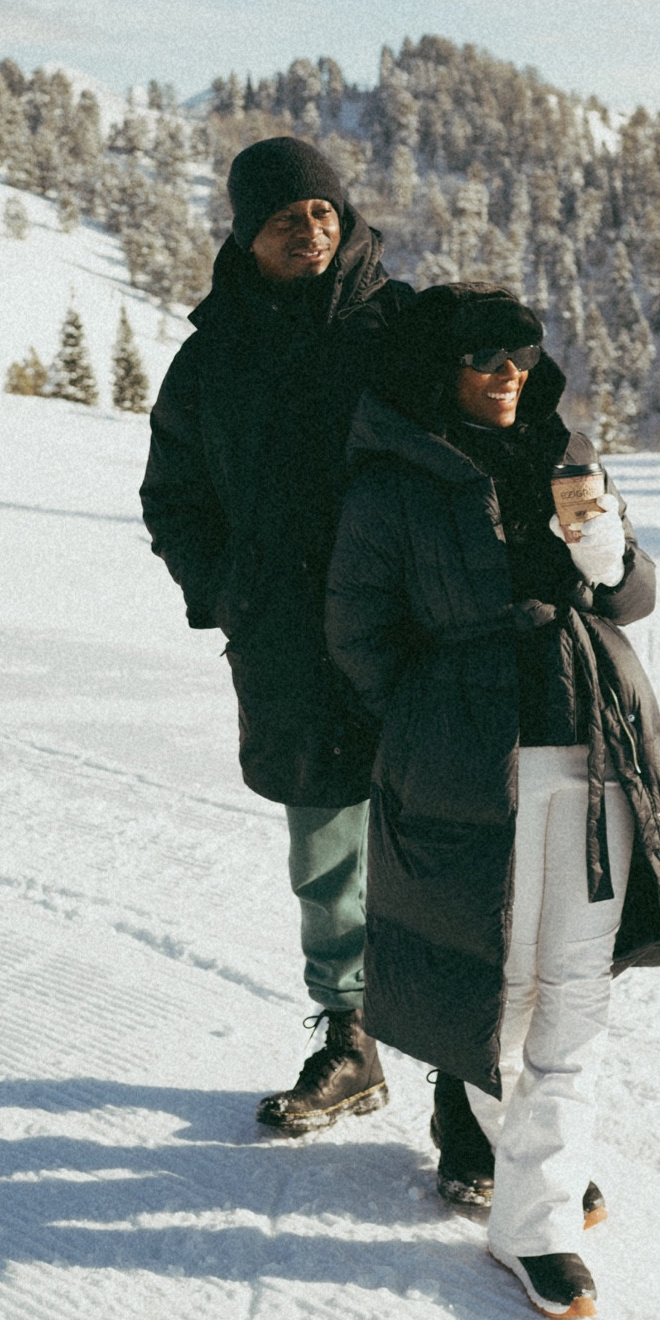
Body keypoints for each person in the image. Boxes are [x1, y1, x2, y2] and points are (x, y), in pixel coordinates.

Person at [325, 283, 660, 1320]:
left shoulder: (565, 456)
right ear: (437, 369)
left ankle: (535, 1215)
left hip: (595, 750)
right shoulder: (393, 482)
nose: (507, 370)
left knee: (575, 992)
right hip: (474, 767)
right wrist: (433, 719)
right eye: (482, 355)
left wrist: (603, 549)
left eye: (520, 350)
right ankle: (532, 1168)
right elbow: (358, 636)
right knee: (498, 993)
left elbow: (630, 595)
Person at [139, 135, 412, 1133]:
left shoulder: (403, 328)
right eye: (287, 215)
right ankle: (351, 1040)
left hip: (414, 634)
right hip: (289, 643)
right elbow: (173, 495)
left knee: (460, 849)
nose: (311, 226)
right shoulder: (212, 359)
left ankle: (487, 1089)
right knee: (329, 850)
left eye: (324, 211)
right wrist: (230, 593)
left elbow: (499, 423)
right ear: (248, 235)